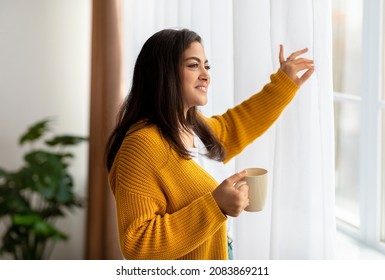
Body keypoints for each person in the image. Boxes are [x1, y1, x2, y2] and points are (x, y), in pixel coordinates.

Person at [105, 28, 314, 260]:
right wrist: (215, 206)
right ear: (162, 73)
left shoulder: (192, 125)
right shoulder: (141, 146)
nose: (205, 75)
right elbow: (138, 244)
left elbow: (237, 125)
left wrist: (284, 83)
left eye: (207, 66)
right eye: (193, 65)